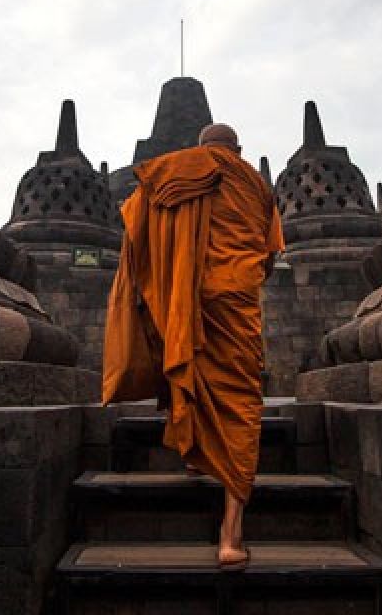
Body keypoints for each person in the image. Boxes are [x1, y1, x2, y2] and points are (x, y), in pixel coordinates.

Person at [103, 123, 284, 570]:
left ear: (201, 149)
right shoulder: (255, 184)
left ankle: (194, 454)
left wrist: (167, 278)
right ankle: (231, 534)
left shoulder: (175, 172)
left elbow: (135, 228)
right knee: (240, 404)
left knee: (184, 363)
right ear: (237, 150)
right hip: (236, 303)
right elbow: (270, 254)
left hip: (186, 297)